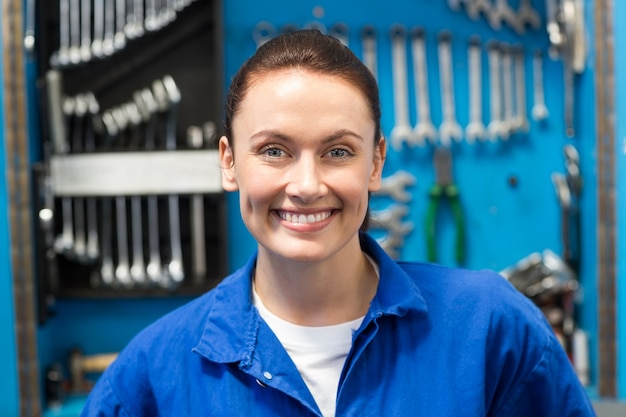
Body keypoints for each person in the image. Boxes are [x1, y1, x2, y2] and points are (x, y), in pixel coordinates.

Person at [81, 30, 595, 416]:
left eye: (338, 151)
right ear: (229, 162)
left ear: (375, 164)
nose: (307, 184)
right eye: (274, 150)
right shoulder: (156, 370)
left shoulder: (487, 328)